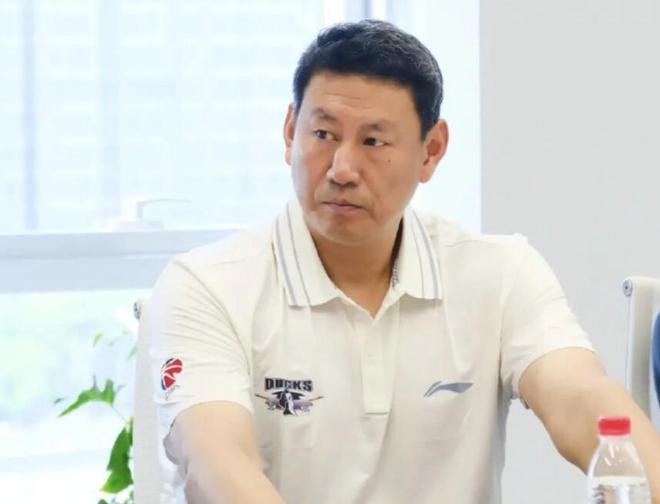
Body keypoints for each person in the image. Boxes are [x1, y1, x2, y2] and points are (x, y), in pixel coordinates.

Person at [150, 19, 660, 503]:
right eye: (323, 134)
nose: (342, 169)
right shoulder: (208, 286)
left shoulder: (501, 273)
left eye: (373, 141)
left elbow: (582, 402)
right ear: (289, 131)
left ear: (431, 151)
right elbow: (217, 465)